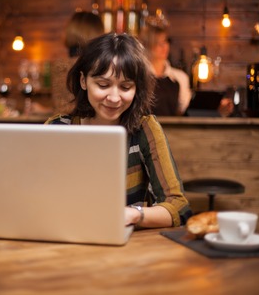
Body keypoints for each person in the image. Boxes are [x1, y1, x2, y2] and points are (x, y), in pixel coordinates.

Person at [45, 33, 192, 228]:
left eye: (125, 87)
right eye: (103, 85)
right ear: (83, 81)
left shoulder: (144, 130)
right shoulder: (57, 130)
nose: (114, 98)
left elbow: (179, 207)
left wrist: (133, 215)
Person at [51, 11, 104, 114]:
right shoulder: (98, 64)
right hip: (88, 126)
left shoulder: (60, 65)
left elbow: (62, 107)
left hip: (63, 127)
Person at [139, 24, 192, 116]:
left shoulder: (180, 77)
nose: (164, 47)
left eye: (165, 42)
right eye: (158, 43)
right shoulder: (139, 76)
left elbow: (182, 111)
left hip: (172, 129)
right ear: (147, 46)